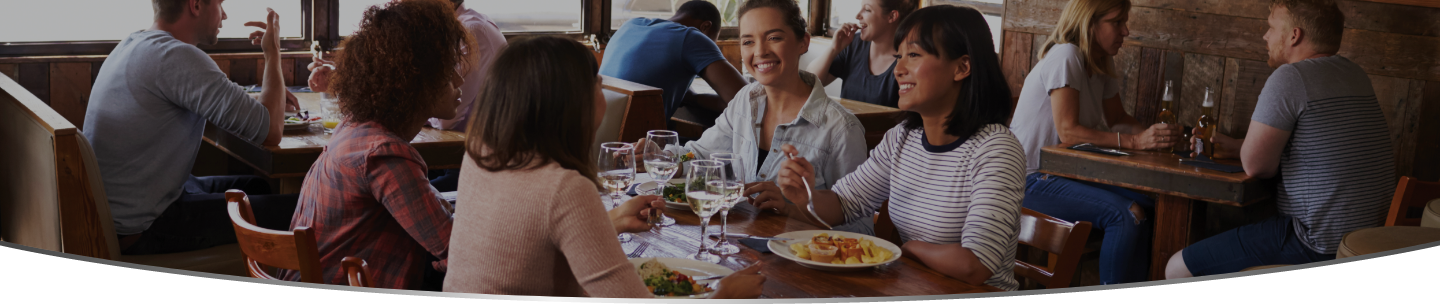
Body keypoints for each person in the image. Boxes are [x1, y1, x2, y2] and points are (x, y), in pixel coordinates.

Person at [443, 35, 765, 298]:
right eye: (598, 84)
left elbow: (525, 245)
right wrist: (723, 295)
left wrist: (609, 221)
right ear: (572, 103)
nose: (603, 94)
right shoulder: (564, 187)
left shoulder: (480, 155)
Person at [777, 5, 1024, 291]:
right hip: (914, 287)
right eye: (898, 57)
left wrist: (908, 250)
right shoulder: (902, 139)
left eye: (914, 55)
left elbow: (975, 265)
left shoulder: (996, 149)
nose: (899, 70)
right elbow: (843, 204)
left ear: (962, 67)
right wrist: (803, 194)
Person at [1166, 0, 1394, 279]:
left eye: (1271, 28)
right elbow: (1315, 149)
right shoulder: (1354, 74)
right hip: (1367, 240)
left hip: (1316, 242)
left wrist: (1247, 152)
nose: (1265, 36)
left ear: (1294, 35)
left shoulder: (1291, 77)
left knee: (1177, 268)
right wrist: (1239, 146)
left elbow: (1256, 167)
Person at [83, 0, 301, 255]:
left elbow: (218, 100)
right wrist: (273, 50)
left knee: (256, 187)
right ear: (196, 5)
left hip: (124, 212)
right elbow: (271, 132)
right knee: (300, 207)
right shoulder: (176, 56)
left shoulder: (135, 44)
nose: (225, 15)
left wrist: (268, 95)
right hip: (146, 226)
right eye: (220, 4)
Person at [284, 0, 474, 291]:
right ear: (414, 79)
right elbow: (457, 249)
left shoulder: (354, 128)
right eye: (448, 68)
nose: (460, 78)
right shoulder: (383, 154)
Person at [640, 0, 867, 230]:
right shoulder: (745, 100)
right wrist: (663, 158)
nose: (760, 51)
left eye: (774, 38)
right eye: (748, 41)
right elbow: (701, 155)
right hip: (739, 247)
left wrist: (790, 208)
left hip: (799, 261)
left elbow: (861, 229)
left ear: (803, 43)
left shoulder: (842, 129)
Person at [1007, 0, 1178, 285]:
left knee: (1150, 202)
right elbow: (1069, 132)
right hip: (1028, 179)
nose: (1126, 30)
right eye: (1117, 22)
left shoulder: (1099, 60)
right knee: (1127, 214)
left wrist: (1157, 137)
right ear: (1090, 22)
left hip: (1062, 173)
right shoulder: (1066, 55)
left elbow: (1117, 119)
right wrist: (1136, 141)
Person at [308, 0, 503, 193]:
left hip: (474, 161)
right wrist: (344, 79)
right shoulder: (428, 32)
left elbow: (446, 120)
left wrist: (386, 95)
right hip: (444, 157)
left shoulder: (469, 30)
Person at [599, 0, 748, 129]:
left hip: (593, 134)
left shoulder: (630, 25)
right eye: (712, 41)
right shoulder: (691, 37)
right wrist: (693, 98)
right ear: (705, 27)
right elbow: (746, 100)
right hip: (634, 145)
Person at [805, 0, 915, 108]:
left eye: (867, 10)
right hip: (845, 126)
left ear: (891, 16)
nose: (857, 15)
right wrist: (833, 49)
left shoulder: (911, 58)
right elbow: (808, 83)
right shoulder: (853, 44)